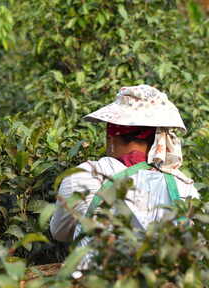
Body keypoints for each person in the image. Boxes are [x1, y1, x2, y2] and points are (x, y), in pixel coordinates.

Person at [50, 84, 199, 249]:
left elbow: (59, 232)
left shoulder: (84, 176)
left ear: (111, 135)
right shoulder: (184, 187)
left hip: (97, 273)